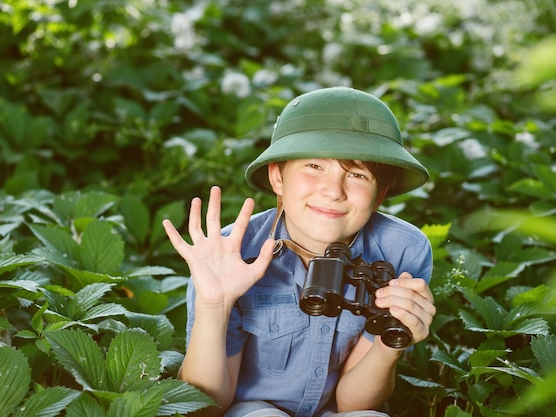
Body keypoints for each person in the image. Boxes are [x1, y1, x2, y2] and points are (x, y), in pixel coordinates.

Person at [162, 87, 436, 417]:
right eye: (314, 167)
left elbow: (355, 404)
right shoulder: (228, 253)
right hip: (250, 409)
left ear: (380, 195)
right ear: (277, 177)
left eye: (357, 174)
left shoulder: (403, 249)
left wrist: (390, 343)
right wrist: (213, 305)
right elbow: (206, 408)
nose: (334, 191)